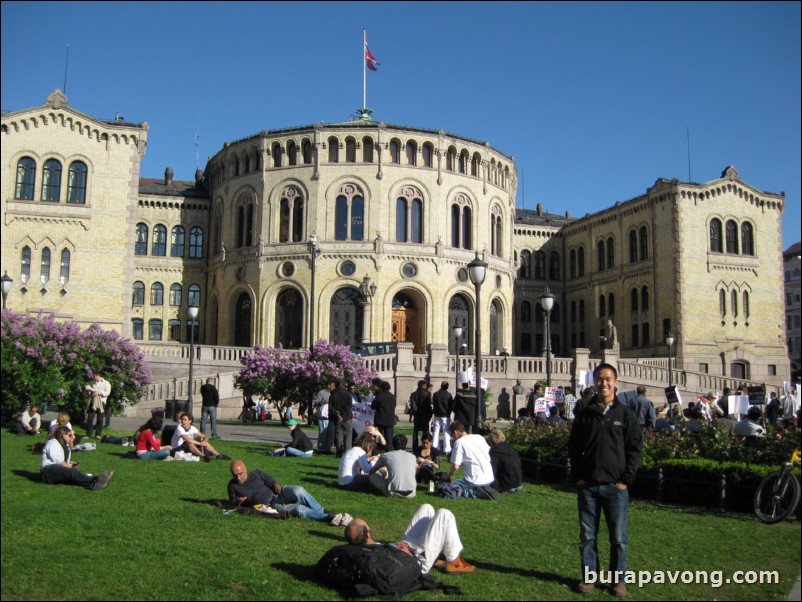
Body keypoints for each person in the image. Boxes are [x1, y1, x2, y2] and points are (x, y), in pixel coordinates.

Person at [568, 363, 642, 597]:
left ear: (616, 382)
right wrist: (579, 476)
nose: (604, 383)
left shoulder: (625, 414)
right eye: (600, 379)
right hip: (588, 486)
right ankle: (590, 578)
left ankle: (617, 580)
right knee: (587, 536)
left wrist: (626, 479)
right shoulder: (585, 413)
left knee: (618, 538)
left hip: (615, 486)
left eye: (608, 379)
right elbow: (574, 446)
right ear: (594, 382)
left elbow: (635, 449)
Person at [344, 504, 476, 574]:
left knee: (426, 508)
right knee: (444, 514)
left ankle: (437, 558)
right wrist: (403, 553)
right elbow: (390, 563)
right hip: (415, 560)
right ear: (368, 534)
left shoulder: (369, 547)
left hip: (407, 546)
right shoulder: (369, 554)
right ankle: (455, 562)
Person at [228, 459, 343, 523]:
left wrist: (281, 493)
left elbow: (272, 482)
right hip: (271, 504)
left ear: (246, 469)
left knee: (298, 490)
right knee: (299, 509)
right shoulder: (232, 485)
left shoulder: (257, 473)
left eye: (240, 473)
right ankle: (326, 517)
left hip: (278, 493)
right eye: (235, 475)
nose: (238, 477)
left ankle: (321, 510)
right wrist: (238, 502)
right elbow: (231, 504)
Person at [42, 426, 115, 490]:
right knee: (72, 472)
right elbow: (59, 462)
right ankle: (97, 479)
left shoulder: (62, 445)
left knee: (73, 479)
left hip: (54, 471)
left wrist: (70, 462)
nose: (72, 437)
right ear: (63, 435)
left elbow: (60, 460)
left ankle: (94, 485)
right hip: (48, 472)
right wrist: (69, 467)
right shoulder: (53, 443)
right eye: (70, 435)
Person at [447, 421, 494, 492]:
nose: (452, 437)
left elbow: (455, 466)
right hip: (489, 478)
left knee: (449, 486)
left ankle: (471, 492)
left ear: (455, 432)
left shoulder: (459, 443)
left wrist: (448, 476)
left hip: (474, 481)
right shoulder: (479, 437)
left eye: (451, 434)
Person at [488, 429, 523, 493]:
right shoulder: (511, 449)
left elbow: (491, 471)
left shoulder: (495, 452)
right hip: (518, 483)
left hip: (506, 485)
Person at [371, 378, 396, 451]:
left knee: (377, 437)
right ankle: (389, 451)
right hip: (390, 420)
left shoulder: (379, 396)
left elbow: (373, 406)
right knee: (389, 438)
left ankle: (376, 451)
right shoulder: (392, 396)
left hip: (380, 420)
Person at [330, 379, 353, 458]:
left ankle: (339, 452)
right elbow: (349, 406)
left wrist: (337, 414)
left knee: (339, 435)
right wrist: (343, 415)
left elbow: (331, 406)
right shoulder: (347, 394)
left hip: (337, 417)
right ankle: (348, 452)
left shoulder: (333, 394)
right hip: (346, 417)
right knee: (348, 435)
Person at [85, 371, 111, 440]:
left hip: (101, 402)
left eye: (94, 376)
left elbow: (107, 392)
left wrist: (99, 393)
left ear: (98, 375)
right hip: (93, 402)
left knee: (100, 419)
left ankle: (98, 434)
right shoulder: (93, 383)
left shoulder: (106, 383)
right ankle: (88, 434)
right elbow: (91, 391)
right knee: (90, 418)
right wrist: (91, 391)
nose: (93, 377)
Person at [411, 380, 433, 454]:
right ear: (423, 386)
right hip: (424, 415)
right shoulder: (426, 394)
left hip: (417, 416)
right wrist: (430, 415)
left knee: (415, 432)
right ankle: (424, 446)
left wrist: (414, 414)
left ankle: (414, 447)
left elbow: (412, 406)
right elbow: (428, 406)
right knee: (425, 433)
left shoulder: (413, 394)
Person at [431, 381, 453, 454]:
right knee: (446, 432)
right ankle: (447, 449)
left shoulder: (435, 394)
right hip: (446, 415)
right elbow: (450, 406)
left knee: (436, 432)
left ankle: (434, 447)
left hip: (437, 415)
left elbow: (434, 403)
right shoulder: (449, 395)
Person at [315, 381, 335, 453]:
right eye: (332, 385)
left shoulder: (334, 393)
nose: (333, 387)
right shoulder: (321, 392)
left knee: (330, 433)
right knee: (323, 433)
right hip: (323, 416)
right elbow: (316, 402)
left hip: (331, 416)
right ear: (328, 385)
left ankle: (328, 449)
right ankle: (321, 448)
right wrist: (323, 402)